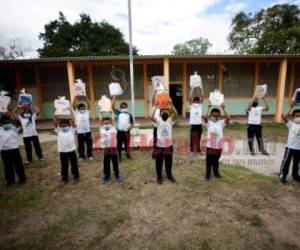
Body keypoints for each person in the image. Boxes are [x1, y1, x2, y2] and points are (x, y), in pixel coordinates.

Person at [151, 101, 177, 185]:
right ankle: (159, 176)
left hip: (168, 146)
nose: (164, 112)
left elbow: (176, 114)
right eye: (162, 111)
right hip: (159, 146)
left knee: (168, 161)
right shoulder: (158, 121)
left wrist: (171, 105)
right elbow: (151, 117)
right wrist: (156, 106)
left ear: (168, 113)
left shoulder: (170, 121)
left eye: (166, 111)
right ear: (160, 113)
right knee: (159, 162)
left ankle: (169, 175)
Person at [203, 103, 230, 181]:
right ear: (211, 115)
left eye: (217, 116)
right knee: (209, 161)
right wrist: (208, 108)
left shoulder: (221, 123)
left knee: (216, 161)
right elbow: (204, 116)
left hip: (219, 146)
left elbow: (228, 118)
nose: (215, 117)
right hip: (210, 146)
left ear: (219, 116)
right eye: (213, 116)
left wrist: (223, 109)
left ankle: (216, 173)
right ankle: (208, 174)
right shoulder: (208, 123)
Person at [0, 109, 26, 187]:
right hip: (4, 151)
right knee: (8, 166)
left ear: (11, 123)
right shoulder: (0, 130)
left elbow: (17, 121)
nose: (6, 124)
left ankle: (22, 179)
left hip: (14, 150)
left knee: (18, 165)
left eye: (8, 122)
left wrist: (11, 112)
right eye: (4, 123)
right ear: (1, 124)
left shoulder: (14, 128)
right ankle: (10, 181)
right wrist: (2, 112)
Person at [54, 111, 79, 184]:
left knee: (74, 164)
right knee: (64, 165)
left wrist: (71, 111)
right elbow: (55, 123)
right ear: (60, 126)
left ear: (69, 125)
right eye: (62, 126)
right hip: (62, 151)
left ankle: (76, 176)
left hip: (71, 150)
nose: (64, 127)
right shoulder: (59, 131)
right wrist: (55, 114)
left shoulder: (71, 130)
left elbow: (73, 121)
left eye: (65, 125)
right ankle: (64, 178)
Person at [278, 101, 300, 184]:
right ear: (293, 117)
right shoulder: (291, 124)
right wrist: (291, 107)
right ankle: (282, 176)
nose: (298, 117)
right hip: (290, 147)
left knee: (297, 163)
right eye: (296, 116)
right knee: (286, 162)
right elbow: (283, 116)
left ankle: (296, 175)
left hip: (299, 148)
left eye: (299, 116)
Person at [99, 117, 122, 184]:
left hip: (113, 149)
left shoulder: (113, 129)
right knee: (106, 163)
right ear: (103, 124)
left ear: (111, 123)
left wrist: (111, 111)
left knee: (115, 163)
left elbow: (113, 121)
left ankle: (117, 175)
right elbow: (100, 121)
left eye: (108, 123)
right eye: (105, 123)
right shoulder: (101, 129)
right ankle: (106, 176)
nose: (107, 124)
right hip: (106, 149)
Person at [112, 97, 134, 162]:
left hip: (127, 132)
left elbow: (132, 123)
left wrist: (130, 128)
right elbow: (112, 107)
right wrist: (115, 97)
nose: (124, 108)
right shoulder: (119, 113)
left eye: (125, 107)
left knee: (127, 144)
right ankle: (119, 156)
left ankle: (127, 154)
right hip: (120, 132)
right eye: (122, 107)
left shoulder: (129, 115)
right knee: (119, 145)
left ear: (127, 107)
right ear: (120, 108)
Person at [189, 86, 204, 155]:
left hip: (199, 124)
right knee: (192, 138)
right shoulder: (191, 105)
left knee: (198, 138)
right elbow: (190, 97)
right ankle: (191, 150)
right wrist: (192, 88)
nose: (196, 102)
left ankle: (198, 150)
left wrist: (201, 89)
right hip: (193, 125)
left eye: (197, 101)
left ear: (199, 101)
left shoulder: (200, 105)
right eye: (195, 101)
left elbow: (202, 97)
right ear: (193, 101)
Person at [151, 89, 160, 159]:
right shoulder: (154, 107)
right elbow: (152, 99)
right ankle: (154, 153)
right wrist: (155, 91)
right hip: (156, 127)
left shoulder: (163, 108)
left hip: (161, 127)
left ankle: (160, 153)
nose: (157, 101)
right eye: (157, 100)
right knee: (155, 141)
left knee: (161, 141)